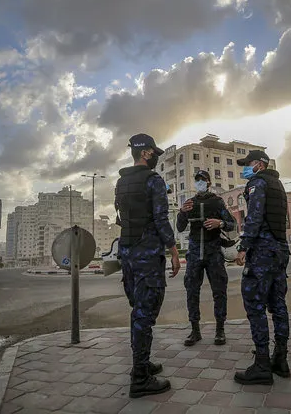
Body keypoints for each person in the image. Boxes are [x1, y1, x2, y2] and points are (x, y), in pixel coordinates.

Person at [114, 133, 181, 398]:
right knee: (145, 312)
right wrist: (174, 251)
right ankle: (140, 378)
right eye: (154, 152)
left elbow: (122, 217)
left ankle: (140, 365)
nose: (156, 156)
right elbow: (161, 218)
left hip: (128, 251)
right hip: (147, 253)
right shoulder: (153, 181)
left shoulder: (122, 181)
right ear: (145, 153)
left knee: (138, 310)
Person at [233, 149, 291, 386]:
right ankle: (281, 359)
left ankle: (262, 365)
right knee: (278, 304)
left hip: (263, 251)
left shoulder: (257, 183)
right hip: (280, 249)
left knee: (255, 305)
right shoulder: (278, 184)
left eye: (247, 164)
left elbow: (254, 217)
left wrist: (244, 247)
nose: (245, 168)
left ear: (259, 164)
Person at [176, 170, 236, 346]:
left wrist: (221, 223)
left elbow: (232, 224)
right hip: (194, 253)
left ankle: (220, 330)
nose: (200, 183)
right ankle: (195, 331)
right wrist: (181, 211)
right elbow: (180, 228)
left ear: (209, 182)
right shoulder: (190, 203)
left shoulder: (217, 202)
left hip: (214, 252)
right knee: (191, 291)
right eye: (197, 180)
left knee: (219, 291)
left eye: (203, 180)